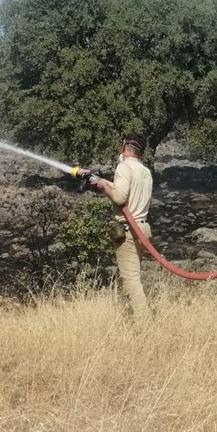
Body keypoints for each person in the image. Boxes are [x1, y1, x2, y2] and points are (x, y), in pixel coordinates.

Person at [77, 134, 154, 318]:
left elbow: (119, 197)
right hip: (142, 229)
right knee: (132, 275)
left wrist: (102, 185)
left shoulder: (124, 167)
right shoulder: (144, 171)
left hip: (129, 230)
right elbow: (125, 191)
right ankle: (133, 317)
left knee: (131, 280)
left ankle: (144, 322)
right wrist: (99, 180)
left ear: (124, 146)